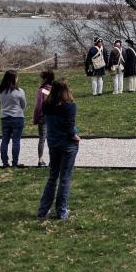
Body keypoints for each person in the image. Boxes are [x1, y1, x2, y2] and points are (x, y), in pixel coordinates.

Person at [37, 79, 80, 221]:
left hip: (53, 142)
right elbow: (69, 127)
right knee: (65, 178)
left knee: (53, 177)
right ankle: (61, 211)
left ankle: (43, 211)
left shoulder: (46, 105)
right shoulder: (70, 106)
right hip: (67, 144)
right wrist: (75, 135)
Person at [0, 70, 27, 168]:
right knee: (16, 141)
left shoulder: (1, 91)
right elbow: (23, 105)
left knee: (5, 140)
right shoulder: (19, 91)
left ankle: (5, 162)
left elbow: (1, 104)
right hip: (17, 117)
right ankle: (15, 162)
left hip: (5, 117)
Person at [33, 69, 54, 167]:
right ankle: (52, 159)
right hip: (53, 116)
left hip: (43, 116)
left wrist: (36, 117)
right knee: (52, 138)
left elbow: (38, 105)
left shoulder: (42, 90)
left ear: (45, 79)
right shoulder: (55, 89)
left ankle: (40, 159)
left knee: (42, 138)